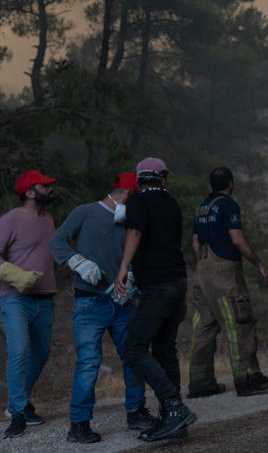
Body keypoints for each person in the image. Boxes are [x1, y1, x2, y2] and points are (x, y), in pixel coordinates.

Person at [49, 172, 157, 443]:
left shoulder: (130, 221)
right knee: (88, 363)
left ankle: (136, 411)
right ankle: (79, 425)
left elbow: (135, 253)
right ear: (128, 194)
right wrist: (78, 262)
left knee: (133, 356)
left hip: (122, 301)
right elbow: (56, 242)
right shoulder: (84, 212)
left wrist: (131, 276)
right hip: (89, 302)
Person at [114, 157, 196, 442]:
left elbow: (135, 231)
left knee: (134, 347)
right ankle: (173, 420)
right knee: (164, 349)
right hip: (178, 283)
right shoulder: (171, 203)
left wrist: (123, 268)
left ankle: (174, 407)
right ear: (163, 178)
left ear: (139, 180)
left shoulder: (138, 201)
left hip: (158, 287)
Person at [188, 167, 268, 399]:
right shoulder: (228, 205)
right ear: (230, 183)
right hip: (224, 272)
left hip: (202, 271)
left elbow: (195, 242)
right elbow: (237, 239)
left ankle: (200, 383)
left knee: (204, 326)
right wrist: (259, 264)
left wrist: (201, 268)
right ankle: (248, 379)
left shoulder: (200, 208)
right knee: (239, 321)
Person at [0, 170, 57, 439]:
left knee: (41, 353)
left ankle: (21, 403)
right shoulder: (11, 219)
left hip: (45, 296)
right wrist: (16, 276)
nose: (50, 190)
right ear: (30, 192)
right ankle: (18, 412)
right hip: (14, 298)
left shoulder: (48, 220)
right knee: (19, 350)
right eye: (44, 186)